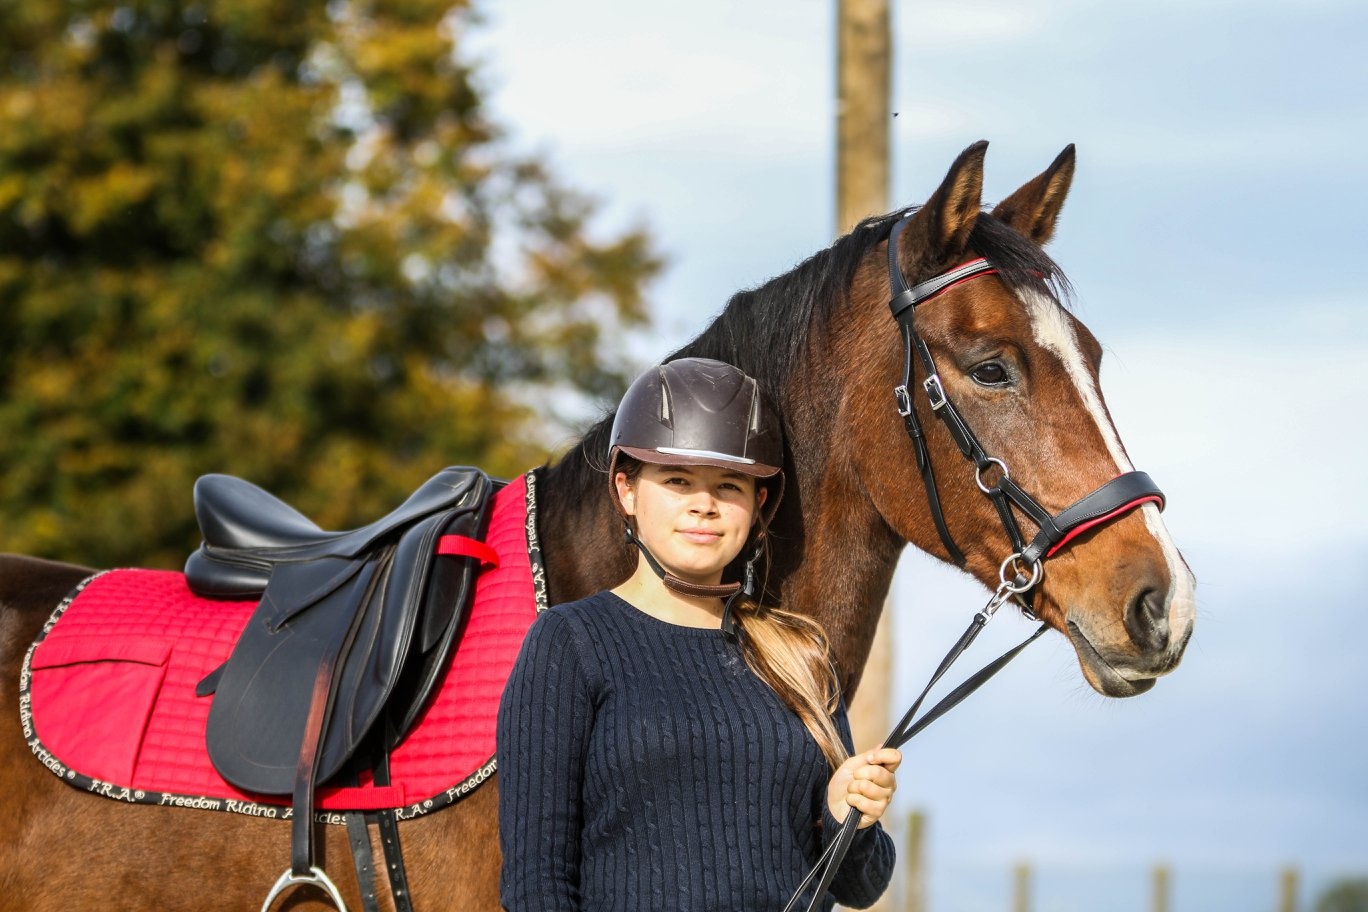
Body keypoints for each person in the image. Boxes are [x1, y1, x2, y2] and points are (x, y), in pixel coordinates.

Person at [496, 357, 899, 911]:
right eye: (677, 480)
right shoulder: (569, 643)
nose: (703, 505)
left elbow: (861, 885)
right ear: (627, 490)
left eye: (728, 484)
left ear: (759, 503)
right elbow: (536, 885)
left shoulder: (801, 655)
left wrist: (843, 815)